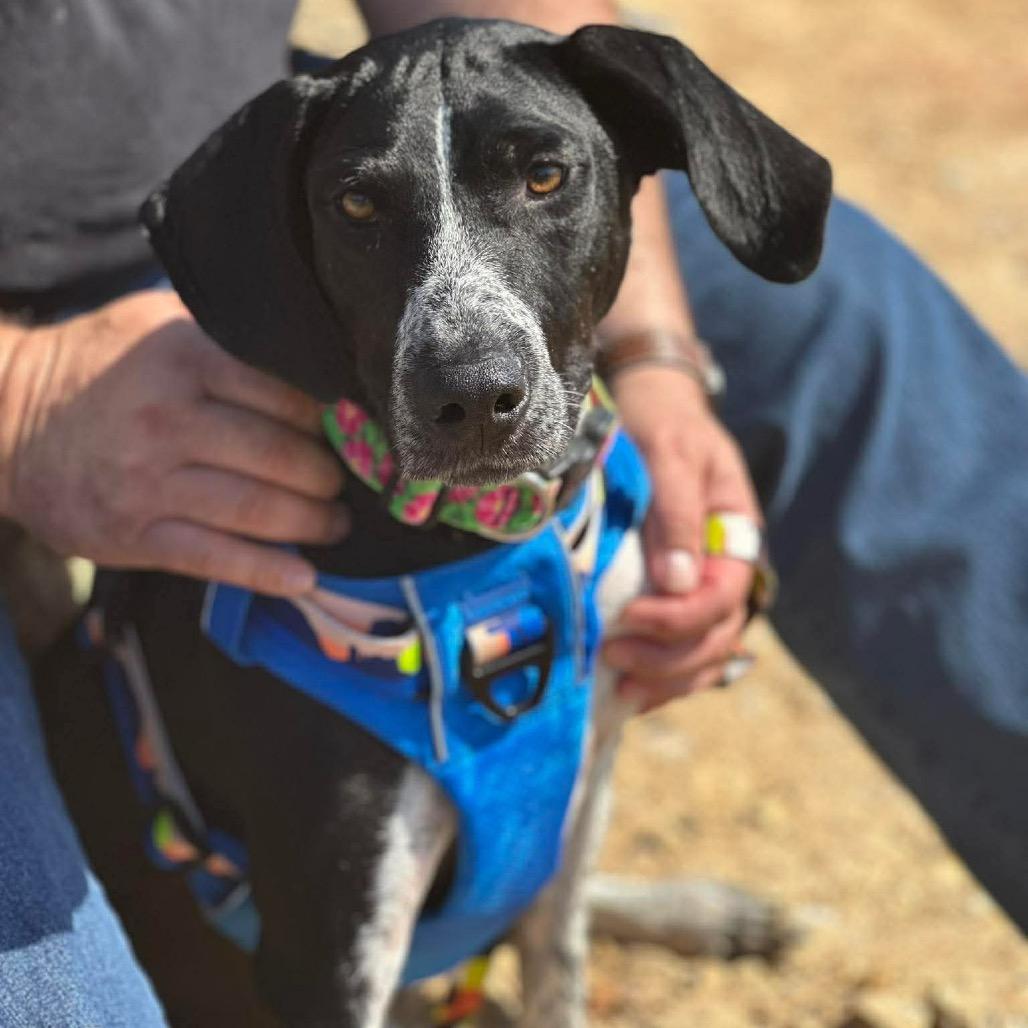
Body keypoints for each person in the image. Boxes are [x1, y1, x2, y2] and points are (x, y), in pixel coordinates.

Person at [0, 0, 1024, 1022]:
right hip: (262, 222)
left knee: (849, 327)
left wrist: (656, 358)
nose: (472, 356)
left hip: (323, 161)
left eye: (544, 179)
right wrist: (23, 397)